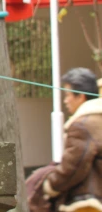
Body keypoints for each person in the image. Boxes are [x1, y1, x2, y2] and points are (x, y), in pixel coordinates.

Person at [38, 67, 102, 212]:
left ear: (81, 96)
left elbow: (73, 167)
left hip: (87, 204)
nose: (66, 101)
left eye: (68, 95)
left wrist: (50, 185)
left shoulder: (82, 125)